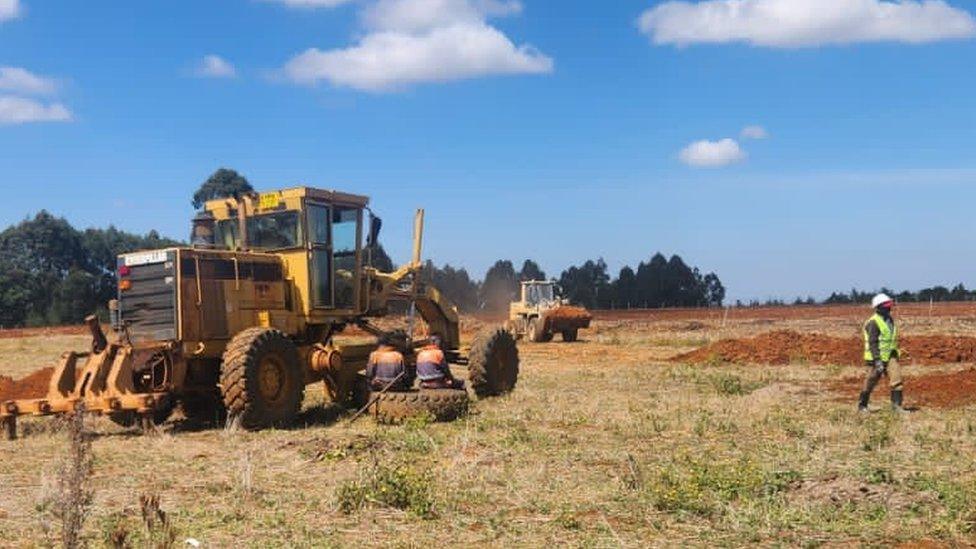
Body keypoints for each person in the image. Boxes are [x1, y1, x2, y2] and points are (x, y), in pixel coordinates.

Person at [859, 293, 904, 412]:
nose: (889, 308)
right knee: (870, 381)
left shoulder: (889, 320)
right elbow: (873, 342)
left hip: (890, 356)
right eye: (886, 306)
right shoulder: (873, 322)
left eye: (890, 306)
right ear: (879, 307)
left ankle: (897, 407)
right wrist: (877, 360)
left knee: (897, 379)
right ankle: (862, 406)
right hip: (875, 358)